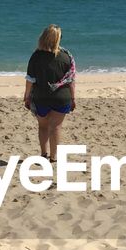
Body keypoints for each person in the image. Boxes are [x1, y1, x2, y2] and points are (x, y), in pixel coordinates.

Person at [23, 24, 76, 162]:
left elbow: (30, 79)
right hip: (62, 97)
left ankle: (43, 154)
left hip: (41, 97)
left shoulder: (36, 56)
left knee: (43, 126)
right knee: (56, 127)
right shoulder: (66, 56)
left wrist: (27, 96)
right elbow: (71, 80)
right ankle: (53, 157)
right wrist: (73, 98)